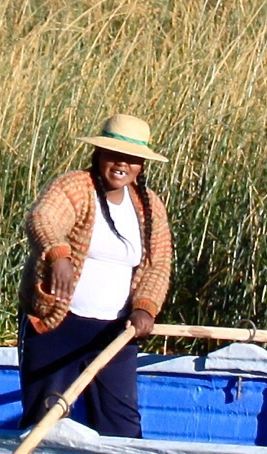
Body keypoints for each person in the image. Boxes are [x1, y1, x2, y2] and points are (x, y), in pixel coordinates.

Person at [18, 113, 174, 437]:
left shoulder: (148, 206)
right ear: (99, 155)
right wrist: (59, 255)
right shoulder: (76, 186)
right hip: (59, 326)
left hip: (115, 334)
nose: (122, 165)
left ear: (141, 166)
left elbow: (157, 264)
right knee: (43, 420)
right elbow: (44, 219)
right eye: (114, 155)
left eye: (131, 159)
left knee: (123, 427)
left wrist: (145, 308)